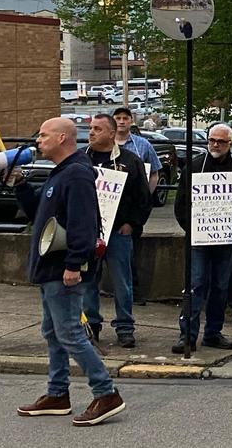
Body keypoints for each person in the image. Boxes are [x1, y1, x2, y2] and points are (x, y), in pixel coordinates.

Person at [15, 117, 125, 426]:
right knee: (53, 332)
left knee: (70, 333)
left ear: (63, 138)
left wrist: (74, 264)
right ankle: (57, 394)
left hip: (62, 267)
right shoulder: (62, 172)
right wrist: (21, 186)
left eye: (44, 135)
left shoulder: (76, 173)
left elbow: (82, 223)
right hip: (50, 268)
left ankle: (106, 392)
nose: (39, 140)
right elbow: (41, 213)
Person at [172, 123, 232, 354]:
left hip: (227, 240)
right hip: (199, 240)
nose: (215, 145)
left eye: (221, 141)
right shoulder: (195, 166)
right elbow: (181, 203)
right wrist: (193, 230)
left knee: (220, 286)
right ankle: (186, 334)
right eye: (212, 141)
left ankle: (213, 333)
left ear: (230, 143)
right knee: (195, 285)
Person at [82, 114, 151, 348]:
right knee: (88, 280)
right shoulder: (81, 159)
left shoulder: (130, 161)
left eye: (97, 129)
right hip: (87, 231)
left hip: (118, 232)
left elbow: (142, 197)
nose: (91, 132)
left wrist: (131, 223)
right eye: (90, 128)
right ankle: (92, 325)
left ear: (111, 134)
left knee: (122, 282)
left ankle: (125, 327)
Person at [113, 107, 161, 306]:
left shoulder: (142, 145)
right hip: (110, 205)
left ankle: (134, 291)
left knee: (131, 247)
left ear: (131, 121)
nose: (122, 122)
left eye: (125, 118)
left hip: (134, 207)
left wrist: (146, 197)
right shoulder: (105, 145)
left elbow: (155, 172)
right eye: (118, 118)